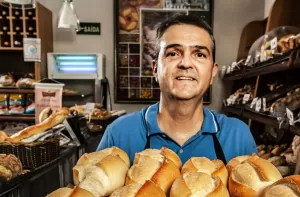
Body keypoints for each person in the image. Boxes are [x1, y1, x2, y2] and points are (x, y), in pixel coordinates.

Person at [97, 14, 257, 165]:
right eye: (173, 53)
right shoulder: (119, 134)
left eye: (199, 54)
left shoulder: (238, 136)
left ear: (212, 72)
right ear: (155, 69)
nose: (186, 63)